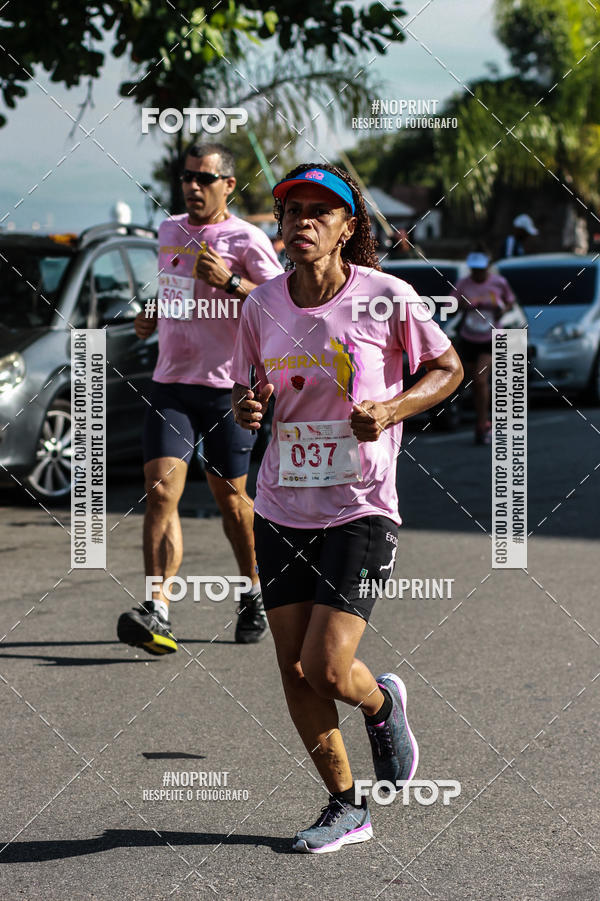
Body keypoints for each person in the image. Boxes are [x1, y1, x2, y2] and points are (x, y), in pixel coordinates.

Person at [231, 164, 463, 852]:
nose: (301, 221)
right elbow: (253, 390)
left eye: (318, 212)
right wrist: (248, 408)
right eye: (291, 209)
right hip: (279, 505)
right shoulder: (261, 304)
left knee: (330, 667)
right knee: (294, 668)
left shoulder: (386, 296)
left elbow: (448, 369)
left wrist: (392, 407)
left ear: (347, 227)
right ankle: (345, 805)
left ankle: (382, 702)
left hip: (361, 505)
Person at [117, 142, 283, 655]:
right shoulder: (169, 231)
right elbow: (172, 294)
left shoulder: (246, 238)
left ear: (228, 185)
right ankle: (157, 608)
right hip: (171, 383)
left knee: (232, 505)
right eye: (187, 177)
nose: (192, 186)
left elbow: (282, 308)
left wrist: (232, 281)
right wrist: (151, 318)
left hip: (225, 391)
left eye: (204, 179)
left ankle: (253, 590)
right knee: (161, 490)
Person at [452, 251, 515, 445]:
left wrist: (500, 309)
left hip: (491, 336)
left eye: (481, 270)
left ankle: (482, 423)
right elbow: (450, 304)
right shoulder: (464, 283)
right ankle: (482, 421)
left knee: (480, 380)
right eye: (474, 270)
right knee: (475, 383)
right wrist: (465, 305)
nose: (478, 274)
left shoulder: (498, 282)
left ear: (487, 267)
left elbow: (510, 302)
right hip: (469, 336)